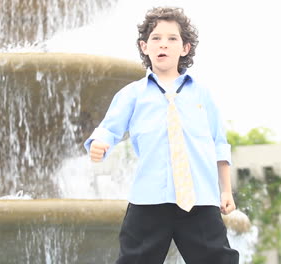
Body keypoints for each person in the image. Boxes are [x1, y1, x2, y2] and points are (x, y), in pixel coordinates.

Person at [84, 6, 239, 264]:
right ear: (144, 47)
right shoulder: (132, 93)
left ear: (185, 48)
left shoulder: (203, 95)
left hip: (199, 201)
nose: (163, 44)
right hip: (148, 201)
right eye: (156, 38)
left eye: (171, 39)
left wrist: (226, 191)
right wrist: (100, 143)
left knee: (219, 260)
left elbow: (219, 145)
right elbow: (109, 128)